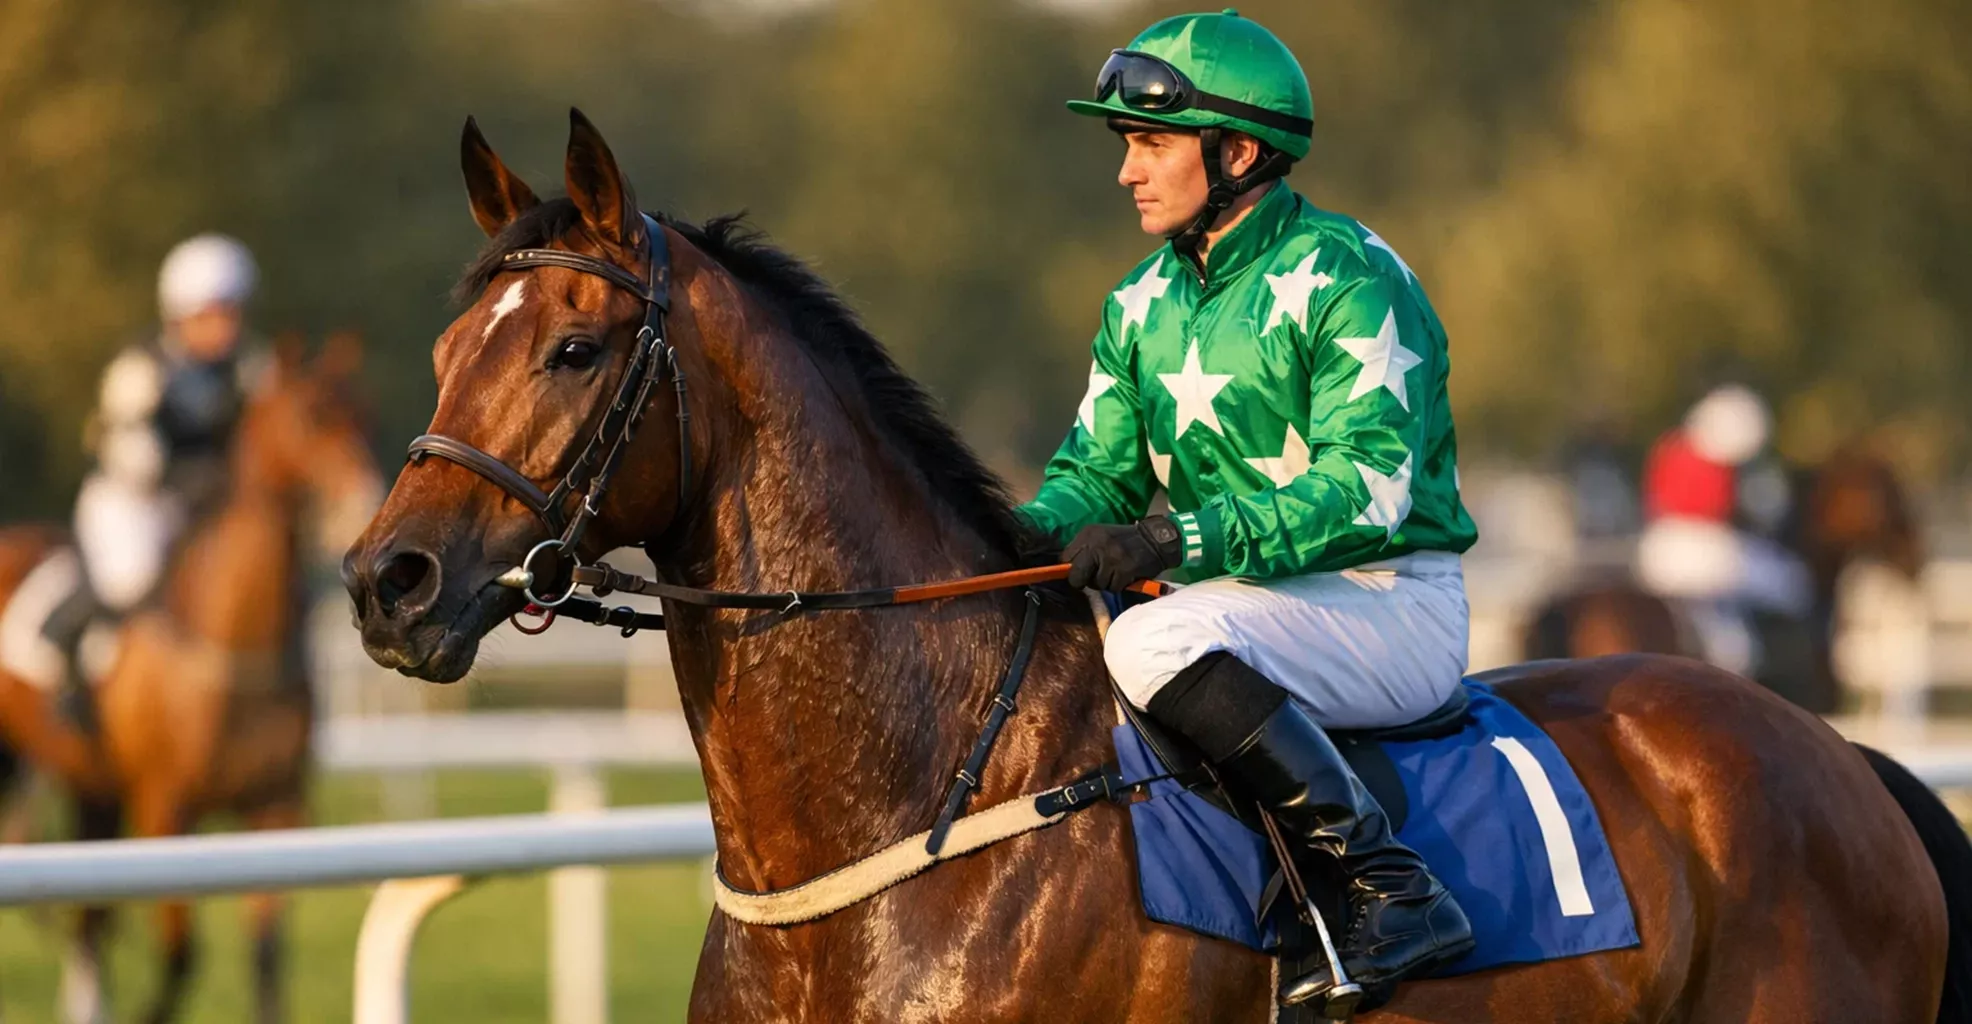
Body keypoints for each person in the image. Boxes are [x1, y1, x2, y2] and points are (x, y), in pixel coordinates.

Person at [1016, 10, 1475, 1005]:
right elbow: (1096, 478)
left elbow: (1367, 486)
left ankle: (1388, 886)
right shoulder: (1138, 304)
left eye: (1151, 144)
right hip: (1241, 607)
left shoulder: (1348, 275)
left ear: (1237, 152)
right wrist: (1011, 531)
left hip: (1388, 601)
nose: (1126, 172)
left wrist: (1175, 535)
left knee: (1149, 640)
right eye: (1126, 145)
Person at [42, 234, 261, 687]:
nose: (226, 327)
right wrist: (199, 477)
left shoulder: (250, 370)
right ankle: (61, 649)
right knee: (128, 578)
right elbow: (131, 456)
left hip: (201, 506)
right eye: (213, 315)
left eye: (231, 313)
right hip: (133, 504)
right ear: (181, 315)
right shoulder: (142, 369)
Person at [1636, 383, 1808, 675]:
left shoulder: (1670, 447)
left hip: (1659, 551)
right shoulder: (1713, 462)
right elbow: (1718, 509)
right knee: (1791, 583)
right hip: (1703, 553)